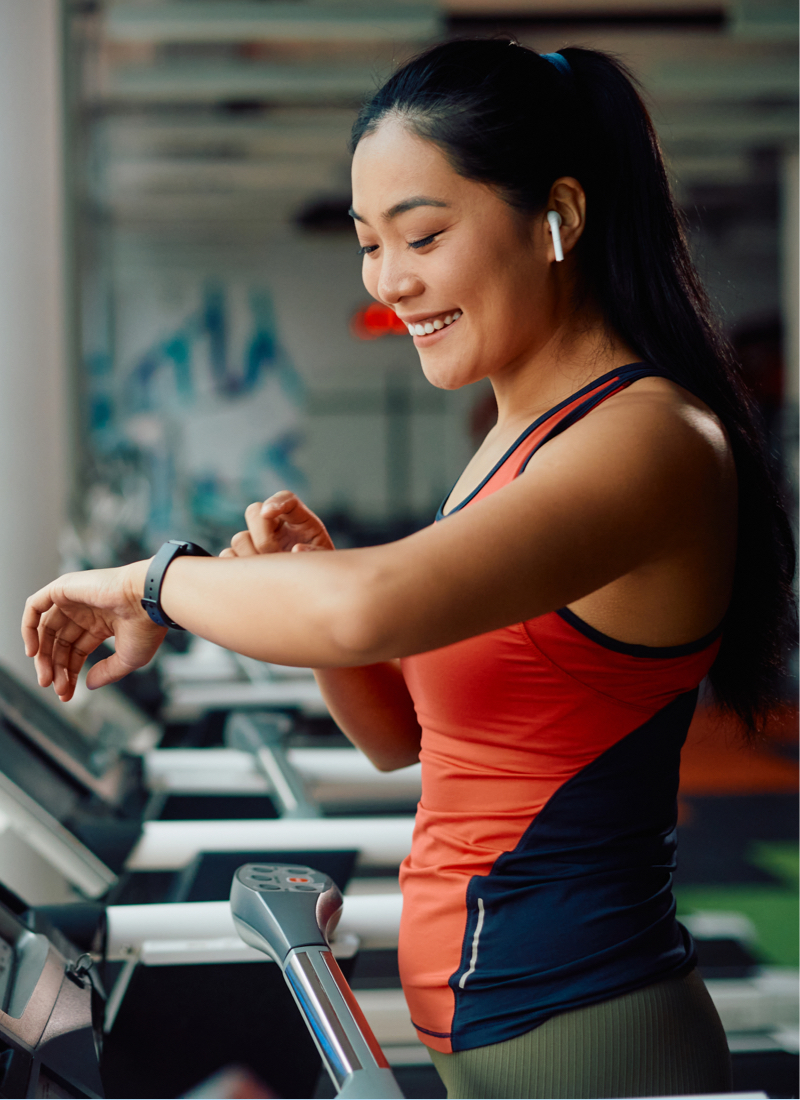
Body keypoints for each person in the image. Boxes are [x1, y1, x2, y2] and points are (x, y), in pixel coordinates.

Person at [22, 40, 796, 1100]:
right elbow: (403, 735)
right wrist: (316, 578)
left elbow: (363, 610)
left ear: (556, 214)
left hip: (580, 1022)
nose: (389, 283)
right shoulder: (508, 443)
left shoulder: (650, 439)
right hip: (485, 1019)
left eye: (422, 234)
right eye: (365, 244)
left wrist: (150, 580)